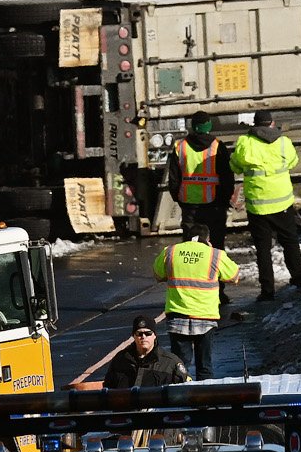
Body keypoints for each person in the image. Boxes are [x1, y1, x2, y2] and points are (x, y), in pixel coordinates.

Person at [228, 110, 301, 301]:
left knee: (263, 249)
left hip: (258, 206)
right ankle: (299, 278)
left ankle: (267, 290)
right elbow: (293, 162)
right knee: (290, 242)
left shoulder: (245, 143)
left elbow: (235, 166)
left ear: (254, 124)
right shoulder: (283, 142)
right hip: (282, 203)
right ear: (272, 123)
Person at [150, 222, 238, 377]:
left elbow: (158, 274)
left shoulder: (170, 252)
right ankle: (204, 399)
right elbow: (233, 276)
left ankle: (179, 398)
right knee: (204, 366)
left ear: (187, 238)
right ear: (208, 239)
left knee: (179, 366)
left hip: (177, 315)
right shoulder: (215, 255)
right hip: (205, 317)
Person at [166, 112, 234, 249]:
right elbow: (227, 177)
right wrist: (226, 198)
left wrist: (178, 197)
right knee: (216, 245)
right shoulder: (217, 146)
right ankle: (214, 269)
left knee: (191, 245)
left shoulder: (180, 147)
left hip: (189, 204)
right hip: (214, 204)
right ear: (209, 125)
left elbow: (173, 178)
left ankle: (192, 270)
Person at [102, 315, 191, 388]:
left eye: (148, 333)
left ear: (154, 336)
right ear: (133, 336)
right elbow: (108, 390)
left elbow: (184, 391)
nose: (143, 337)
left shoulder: (171, 363)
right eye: (139, 333)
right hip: (126, 409)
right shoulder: (120, 360)